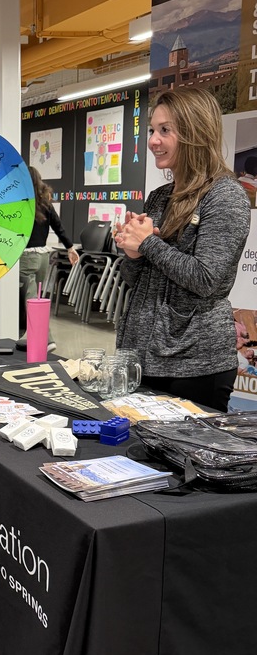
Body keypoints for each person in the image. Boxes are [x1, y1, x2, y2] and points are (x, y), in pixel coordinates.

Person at [114, 87, 250, 412]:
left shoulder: (225, 197)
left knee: (185, 461)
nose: (153, 141)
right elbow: (139, 279)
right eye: (152, 130)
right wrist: (133, 254)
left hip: (196, 364)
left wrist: (148, 243)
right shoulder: (160, 197)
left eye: (165, 130)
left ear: (194, 133)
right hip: (144, 357)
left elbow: (206, 278)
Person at [16, 165, 79, 352]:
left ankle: (46, 338)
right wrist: (70, 247)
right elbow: (59, 227)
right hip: (43, 257)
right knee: (37, 299)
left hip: (26, 258)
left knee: (31, 299)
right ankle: (28, 335)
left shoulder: (20, 204)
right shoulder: (45, 203)